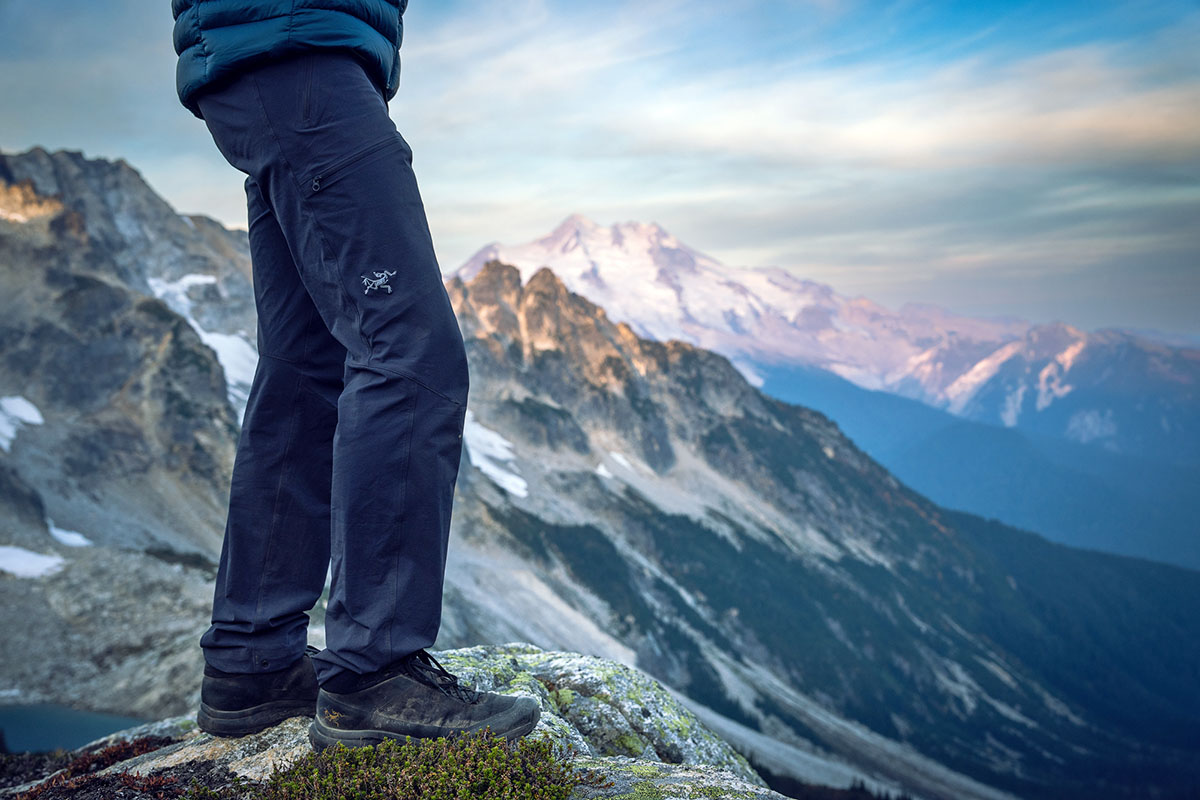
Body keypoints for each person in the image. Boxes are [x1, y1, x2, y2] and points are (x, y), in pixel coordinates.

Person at [170, 0, 539, 749]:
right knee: (411, 351)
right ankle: (376, 672)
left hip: (265, 60)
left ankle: (254, 662)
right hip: (299, 52)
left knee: (308, 366)